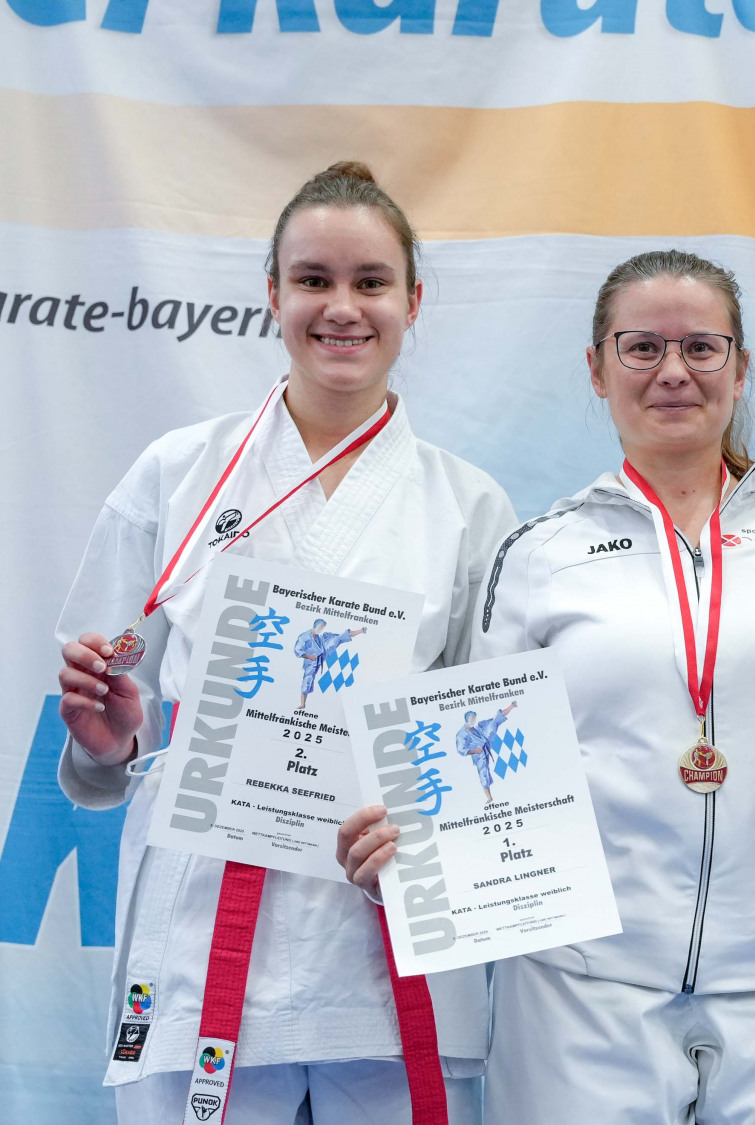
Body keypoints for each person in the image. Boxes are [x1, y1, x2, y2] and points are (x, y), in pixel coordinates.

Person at [340, 249, 755, 1125]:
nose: (673, 371)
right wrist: (412, 866)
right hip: (580, 988)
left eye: (701, 347)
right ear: (597, 370)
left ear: (741, 367)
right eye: (641, 347)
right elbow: (481, 773)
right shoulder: (539, 554)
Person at [53, 162, 516, 1125]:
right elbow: (108, 731)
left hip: (385, 924)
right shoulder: (178, 473)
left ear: (413, 301)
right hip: (202, 923)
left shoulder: (470, 505)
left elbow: (487, 759)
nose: (341, 307)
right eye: (313, 279)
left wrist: (430, 830)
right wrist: (109, 744)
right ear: (272, 293)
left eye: (370, 281)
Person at [294, 618, 365, 710]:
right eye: (321, 627)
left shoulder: (319, 637)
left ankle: (361, 631)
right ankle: (302, 704)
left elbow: (336, 638)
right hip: (311, 662)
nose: (321, 629)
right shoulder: (304, 637)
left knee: (337, 638)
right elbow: (297, 650)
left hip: (322, 652)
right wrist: (309, 657)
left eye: (323, 628)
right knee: (307, 679)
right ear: (316, 626)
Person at [455, 703, 517, 804]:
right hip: (478, 754)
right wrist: (475, 751)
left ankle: (511, 706)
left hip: (485, 741)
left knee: (493, 723)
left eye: (474, 718)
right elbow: (461, 750)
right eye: (472, 719)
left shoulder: (475, 728)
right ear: (467, 719)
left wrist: (510, 707)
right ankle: (489, 797)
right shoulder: (461, 734)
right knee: (483, 772)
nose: (474, 720)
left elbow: (493, 722)